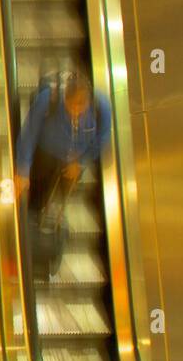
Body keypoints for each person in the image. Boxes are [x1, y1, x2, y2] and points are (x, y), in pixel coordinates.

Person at [15, 72, 111, 276]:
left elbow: (102, 139)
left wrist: (82, 162)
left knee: (58, 204)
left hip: (72, 163)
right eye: (71, 106)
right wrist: (22, 170)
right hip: (45, 156)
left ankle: (48, 251)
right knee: (36, 200)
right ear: (65, 98)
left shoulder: (100, 107)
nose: (75, 112)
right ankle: (29, 252)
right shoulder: (48, 100)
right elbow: (29, 133)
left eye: (79, 107)